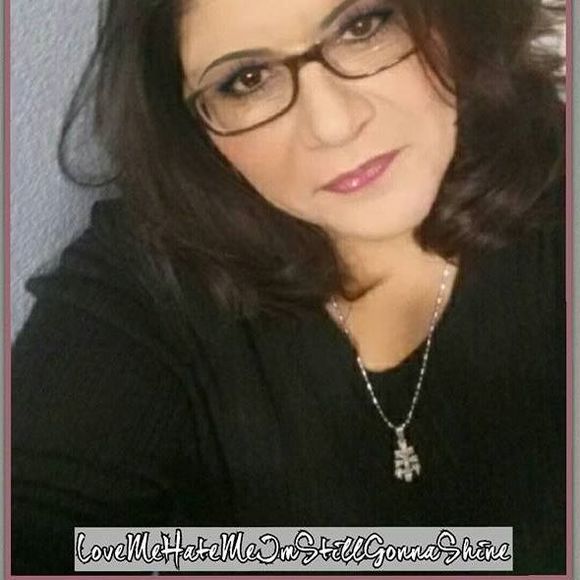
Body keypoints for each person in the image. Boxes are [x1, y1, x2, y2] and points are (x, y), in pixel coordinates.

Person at [11, 0, 567, 574]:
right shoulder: (143, 279)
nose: (333, 125)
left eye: (363, 26)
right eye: (247, 79)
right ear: (188, 122)